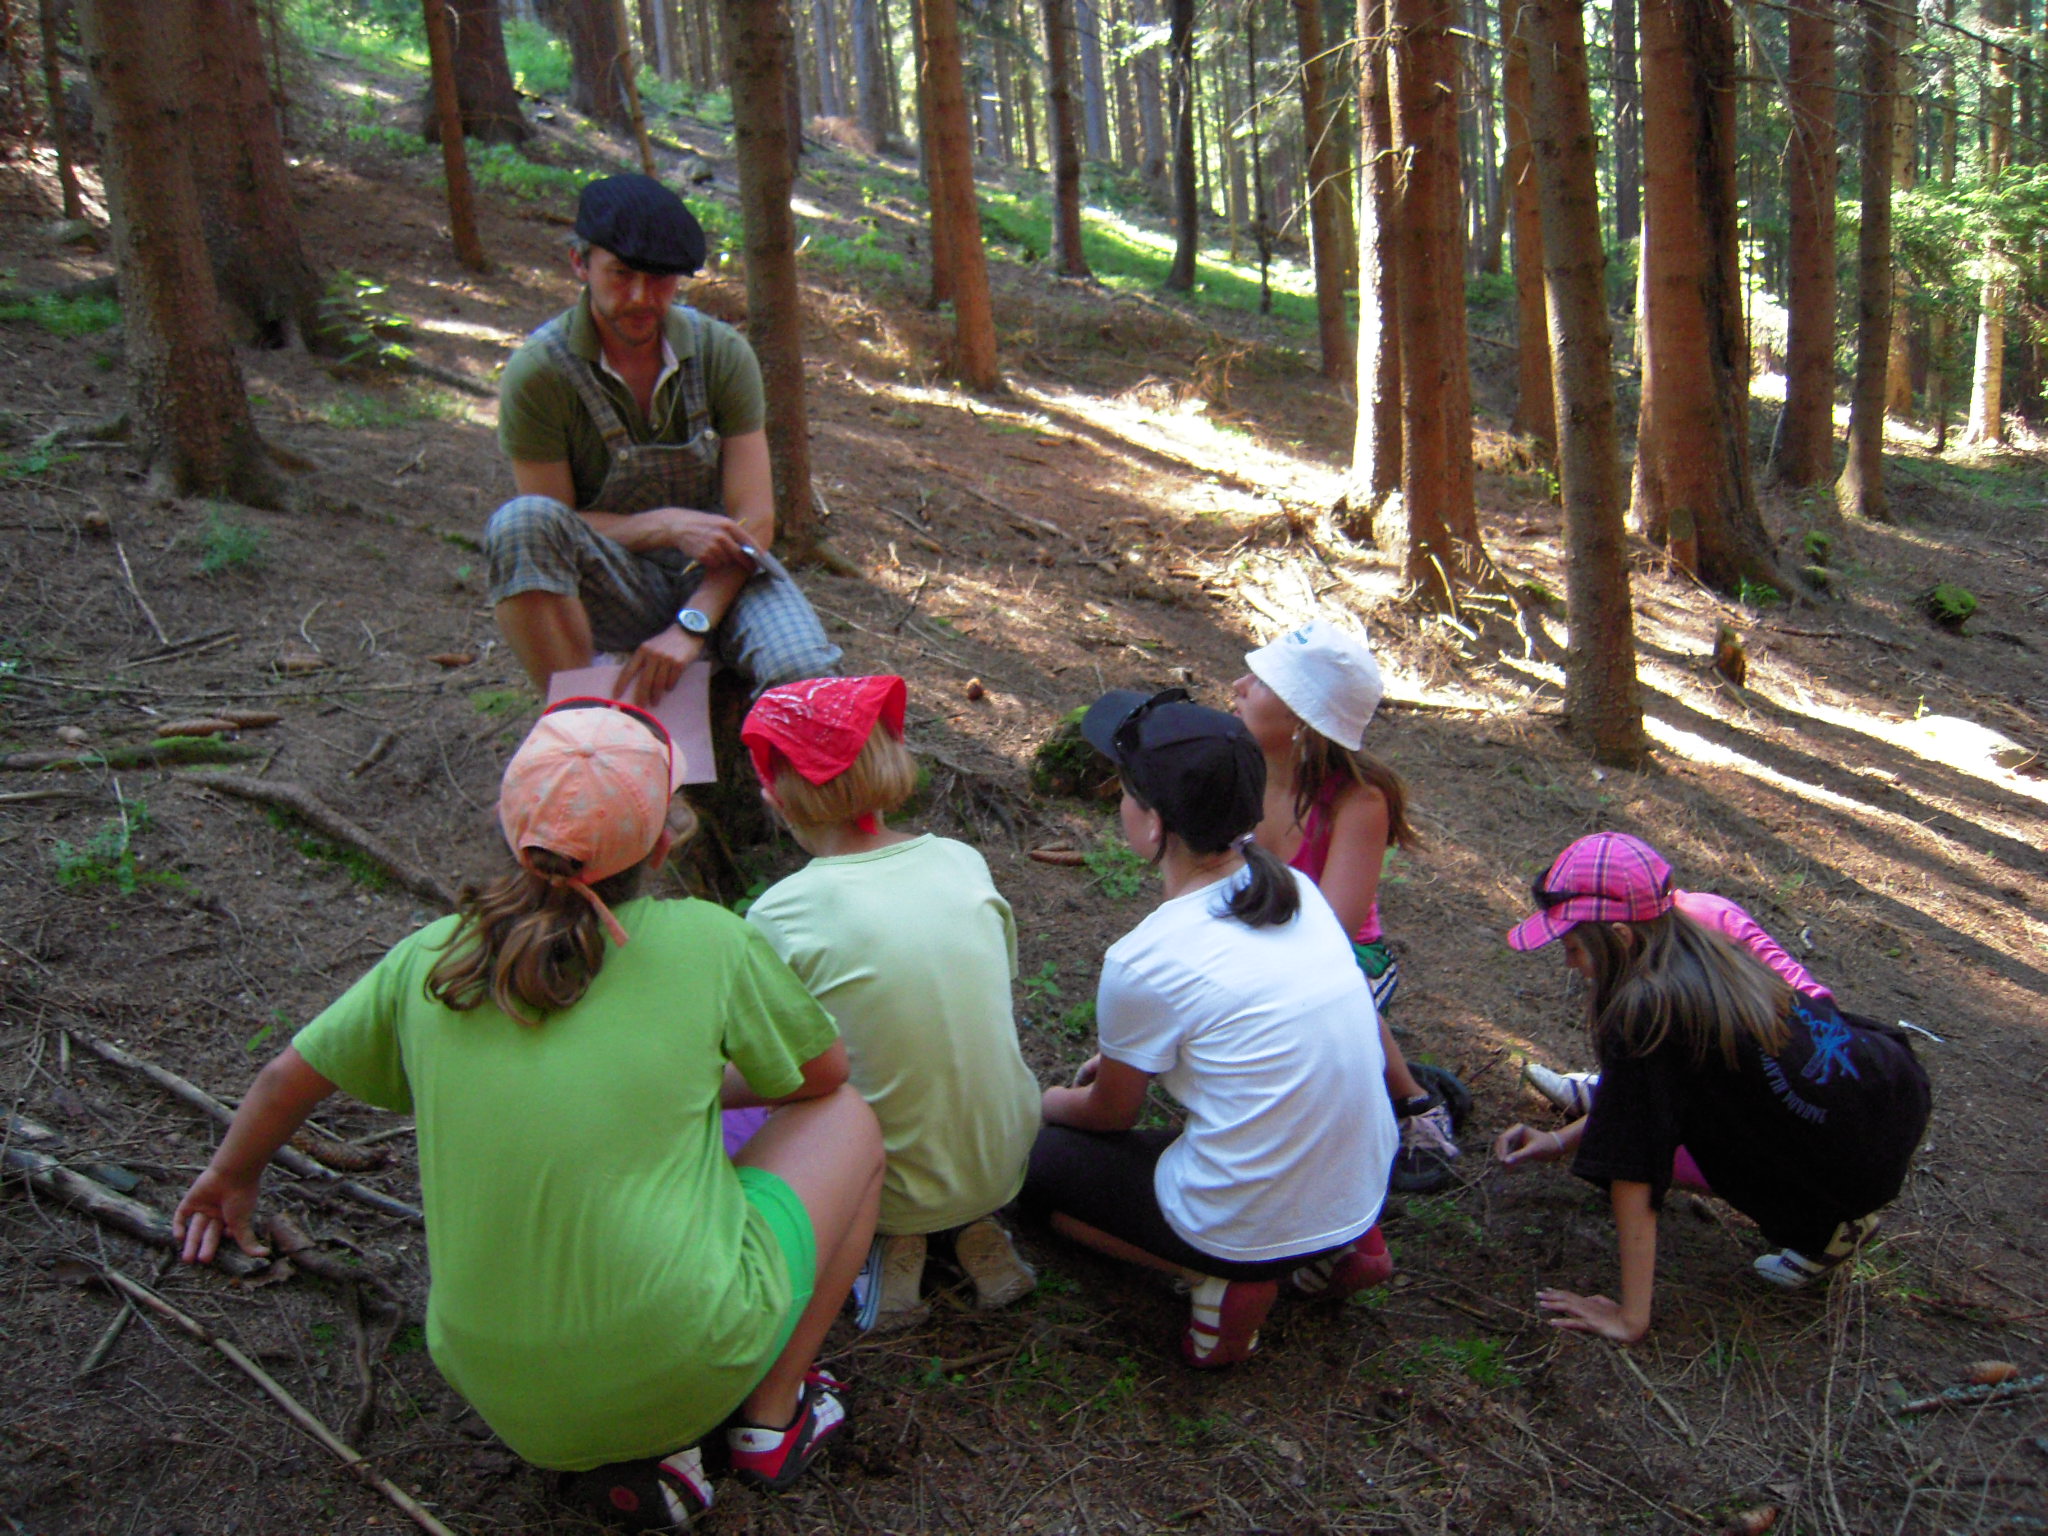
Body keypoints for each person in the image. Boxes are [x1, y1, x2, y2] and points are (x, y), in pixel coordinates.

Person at [174, 700, 884, 1530]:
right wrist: (691, 1083)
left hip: (498, 1388)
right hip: (688, 1346)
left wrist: (230, 1177)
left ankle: (653, 1460)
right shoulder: (709, 940)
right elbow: (821, 1075)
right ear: (663, 842)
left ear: (514, 829)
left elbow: (282, 1080)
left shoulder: (431, 957)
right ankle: (772, 1417)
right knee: (850, 1119)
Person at [1020, 689, 1399, 1368]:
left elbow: (1109, 1114)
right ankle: (1337, 1249)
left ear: (1154, 824)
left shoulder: (1146, 958)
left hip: (1240, 1222)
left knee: (1036, 1166)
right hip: (1360, 1188)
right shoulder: (1299, 893)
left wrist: (1037, 1101)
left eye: (1125, 794)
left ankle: (1219, 1276)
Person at [1493, 832, 1931, 1343]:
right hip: (1889, 1089)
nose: (1569, 963)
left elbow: (1632, 1165)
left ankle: (1824, 1228)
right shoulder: (1696, 936)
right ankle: (1828, 1213)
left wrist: (1631, 1318)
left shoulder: (1646, 1013)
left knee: (1630, 1146)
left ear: (1621, 937)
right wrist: (1559, 1141)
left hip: (1844, 1166)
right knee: (1653, 1112)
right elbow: (1636, 1105)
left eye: (1573, 948)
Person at [740, 675, 1042, 1333]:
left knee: (790, 1089)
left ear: (776, 794)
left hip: (885, 1178)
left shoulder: (779, 913)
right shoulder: (961, 862)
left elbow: (776, 1067)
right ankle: (973, 1227)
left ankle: (887, 1240)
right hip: (1004, 1154)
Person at [485, 173, 841, 706]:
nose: (640, 297)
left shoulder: (721, 353)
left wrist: (691, 625)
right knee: (518, 524)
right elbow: (551, 526)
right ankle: (580, 717)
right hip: (613, 583)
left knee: (808, 678)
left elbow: (755, 520)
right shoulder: (540, 373)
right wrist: (667, 525)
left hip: (728, 577)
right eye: (621, 274)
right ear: (580, 263)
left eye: (659, 280)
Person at [1231, 619, 1462, 1192]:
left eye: (1261, 683)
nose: (1238, 686)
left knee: (1327, 996)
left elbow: (1333, 931)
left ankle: (1415, 1102)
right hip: (1250, 941)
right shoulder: (1235, 772)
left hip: (1347, 956)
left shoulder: (1358, 801)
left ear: (1302, 720)